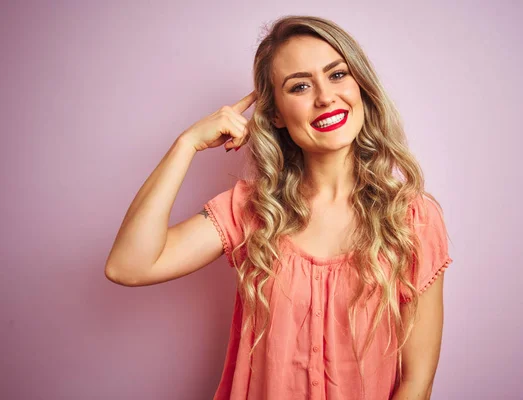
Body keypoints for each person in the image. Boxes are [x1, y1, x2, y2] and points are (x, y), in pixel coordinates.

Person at [105, 15, 453, 400]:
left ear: (361, 86)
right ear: (275, 114)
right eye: (300, 86)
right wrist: (186, 145)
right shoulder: (252, 210)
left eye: (337, 75)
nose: (324, 97)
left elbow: (416, 381)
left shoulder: (412, 218)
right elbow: (128, 266)